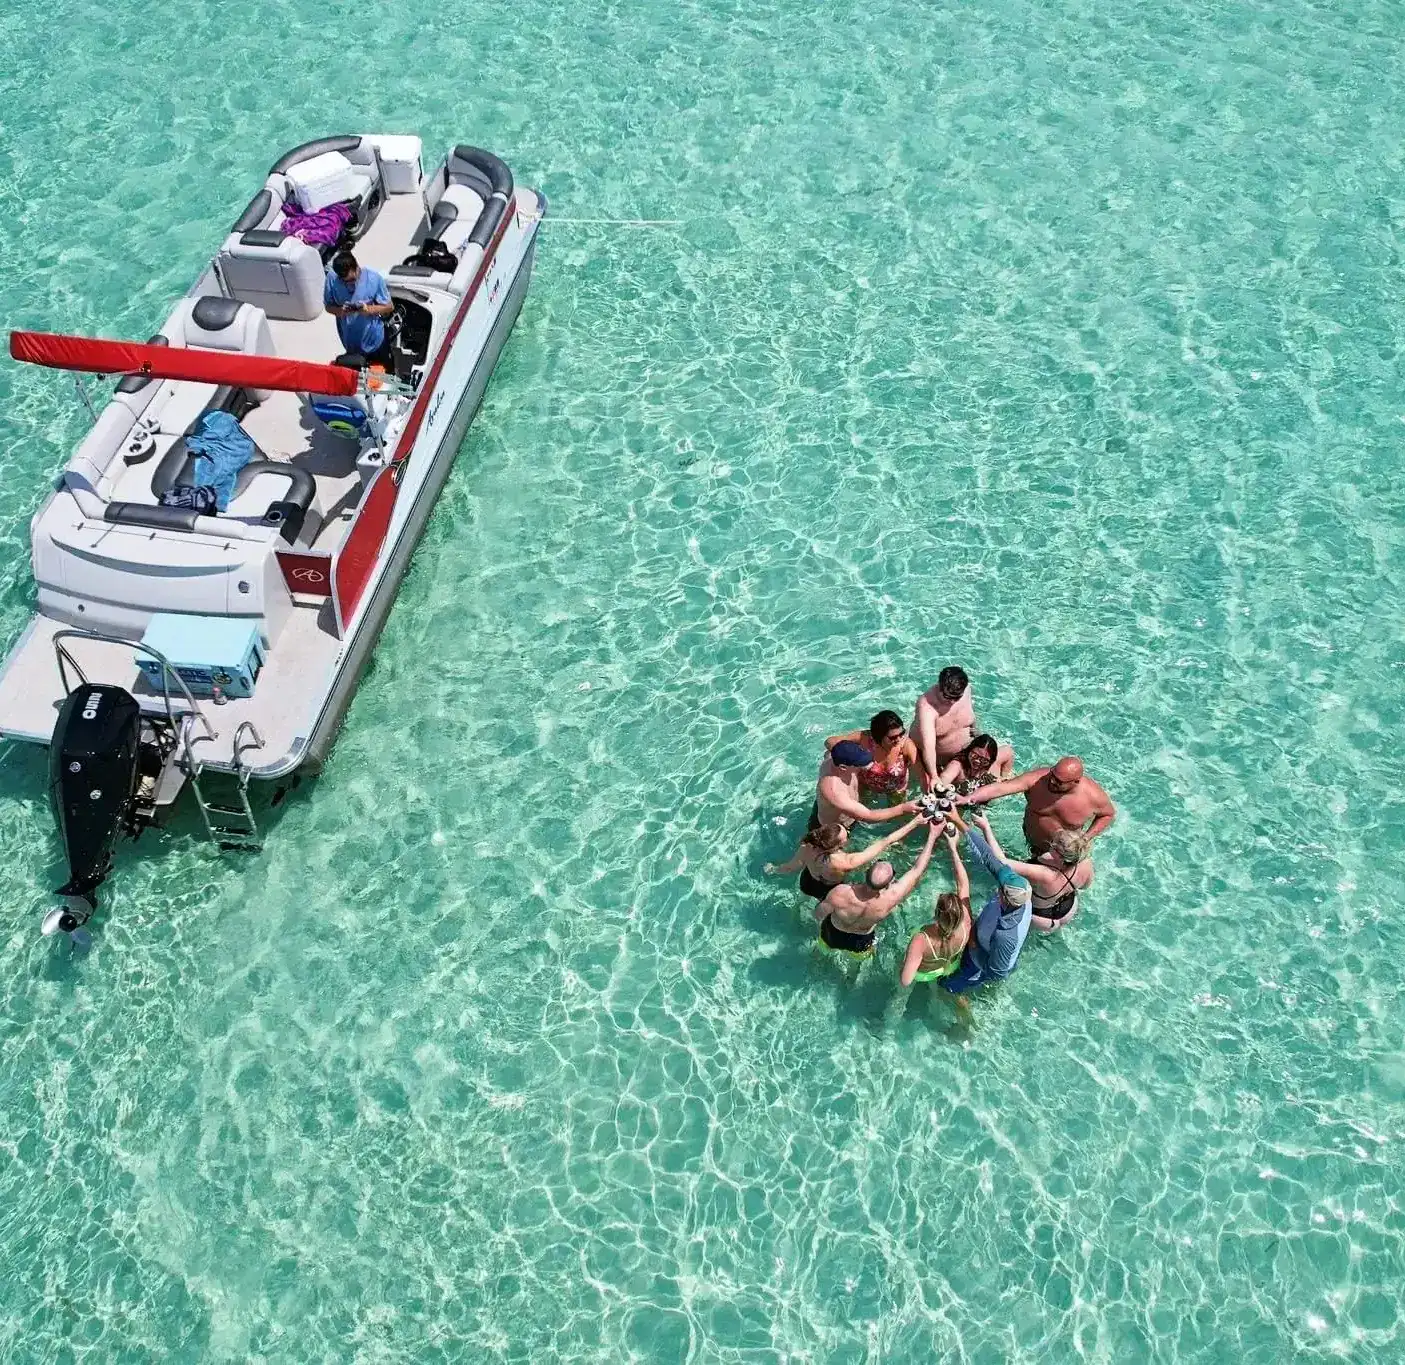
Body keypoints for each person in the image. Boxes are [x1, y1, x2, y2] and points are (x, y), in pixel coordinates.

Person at [813, 821, 941, 958]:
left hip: (832, 934)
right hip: (861, 941)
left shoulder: (840, 893)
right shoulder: (891, 898)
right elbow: (917, 870)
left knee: (823, 950)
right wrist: (933, 836)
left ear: (866, 872)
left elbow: (818, 914)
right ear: (888, 884)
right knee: (860, 959)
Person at [940, 820, 1032, 997]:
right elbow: (989, 858)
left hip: (979, 959)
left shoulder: (1006, 936)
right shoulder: (1022, 890)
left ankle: (963, 1008)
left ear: (1003, 897)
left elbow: (997, 973)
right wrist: (960, 823)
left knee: (948, 986)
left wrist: (973, 944)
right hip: (984, 938)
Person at [956, 755, 1116, 856]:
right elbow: (1000, 788)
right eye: (1052, 774)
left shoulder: (1092, 796)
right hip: (1033, 842)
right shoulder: (1038, 780)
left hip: (1062, 854)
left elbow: (1108, 814)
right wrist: (969, 798)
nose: (1052, 781)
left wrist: (1086, 837)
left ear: (1076, 782)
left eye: (1059, 782)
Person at [967, 814, 1093, 932]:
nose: (1051, 845)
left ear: (1061, 858)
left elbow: (1001, 861)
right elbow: (1085, 886)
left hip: (1041, 919)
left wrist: (986, 827)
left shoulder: (1044, 874)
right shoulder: (1085, 863)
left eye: (1054, 846)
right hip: (1069, 909)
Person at [765, 814, 926, 899]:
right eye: (845, 836)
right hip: (829, 890)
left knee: (802, 901)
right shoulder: (845, 862)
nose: (848, 833)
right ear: (836, 846)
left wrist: (773, 869)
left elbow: (791, 867)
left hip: (807, 882)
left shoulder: (807, 846)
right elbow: (886, 841)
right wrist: (915, 822)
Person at [900, 823, 972, 985]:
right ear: (960, 913)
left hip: (923, 974)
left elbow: (906, 980)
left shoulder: (921, 940)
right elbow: (963, 885)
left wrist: (901, 963)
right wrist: (953, 847)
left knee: (901, 989)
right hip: (946, 968)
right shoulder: (966, 924)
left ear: (936, 914)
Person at [811, 740, 919, 831]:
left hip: (845, 809)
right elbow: (869, 816)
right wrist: (903, 808)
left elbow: (830, 745)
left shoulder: (834, 757)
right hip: (834, 829)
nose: (866, 766)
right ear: (843, 767)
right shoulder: (834, 791)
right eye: (859, 764)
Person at [825, 709, 918, 803]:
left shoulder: (905, 745)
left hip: (896, 790)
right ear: (879, 735)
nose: (898, 739)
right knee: (858, 809)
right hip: (866, 786)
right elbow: (829, 742)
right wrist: (847, 755)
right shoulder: (864, 738)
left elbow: (920, 767)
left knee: (900, 810)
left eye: (901, 733)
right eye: (893, 737)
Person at [912, 666, 980, 791]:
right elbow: (928, 745)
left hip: (961, 756)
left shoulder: (966, 689)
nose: (952, 702)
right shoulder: (927, 706)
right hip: (934, 761)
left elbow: (971, 712)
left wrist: (976, 731)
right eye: (947, 697)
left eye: (956, 698)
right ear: (939, 686)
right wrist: (934, 776)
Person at [324, 250, 395, 365]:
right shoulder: (332, 278)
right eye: (344, 281)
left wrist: (369, 310)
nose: (349, 284)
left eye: (352, 280)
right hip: (350, 345)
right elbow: (328, 306)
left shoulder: (374, 278)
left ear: (357, 267)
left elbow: (389, 306)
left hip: (375, 342)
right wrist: (340, 311)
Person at [937, 733, 1014, 796]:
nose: (977, 761)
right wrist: (941, 785)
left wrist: (1005, 776)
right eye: (975, 755)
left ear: (991, 760)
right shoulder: (958, 765)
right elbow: (945, 777)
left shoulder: (993, 764)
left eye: (984, 760)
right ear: (970, 749)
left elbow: (1008, 751)